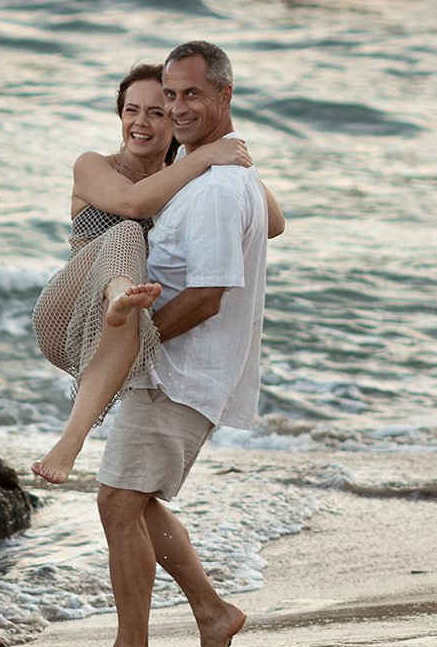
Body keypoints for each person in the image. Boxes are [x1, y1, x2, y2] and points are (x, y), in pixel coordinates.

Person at [61, 40, 274, 647]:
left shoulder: (206, 187)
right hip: (148, 351)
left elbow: (212, 289)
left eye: (179, 100)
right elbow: (128, 208)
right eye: (145, 105)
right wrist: (214, 155)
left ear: (222, 98)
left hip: (172, 364)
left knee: (118, 503)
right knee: (136, 499)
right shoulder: (151, 174)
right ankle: (211, 613)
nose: (158, 117)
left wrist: (228, 163)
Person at [29, 65, 272, 484]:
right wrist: (207, 157)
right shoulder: (93, 166)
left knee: (132, 501)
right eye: (130, 110)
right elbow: (133, 204)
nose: (140, 123)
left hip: (124, 336)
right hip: (68, 317)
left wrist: (224, 153)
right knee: (125, 232)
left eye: (157, 113)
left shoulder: (187, 173)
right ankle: (71, 438)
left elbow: (275, 221)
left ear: (176, 121)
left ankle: (126, 304)